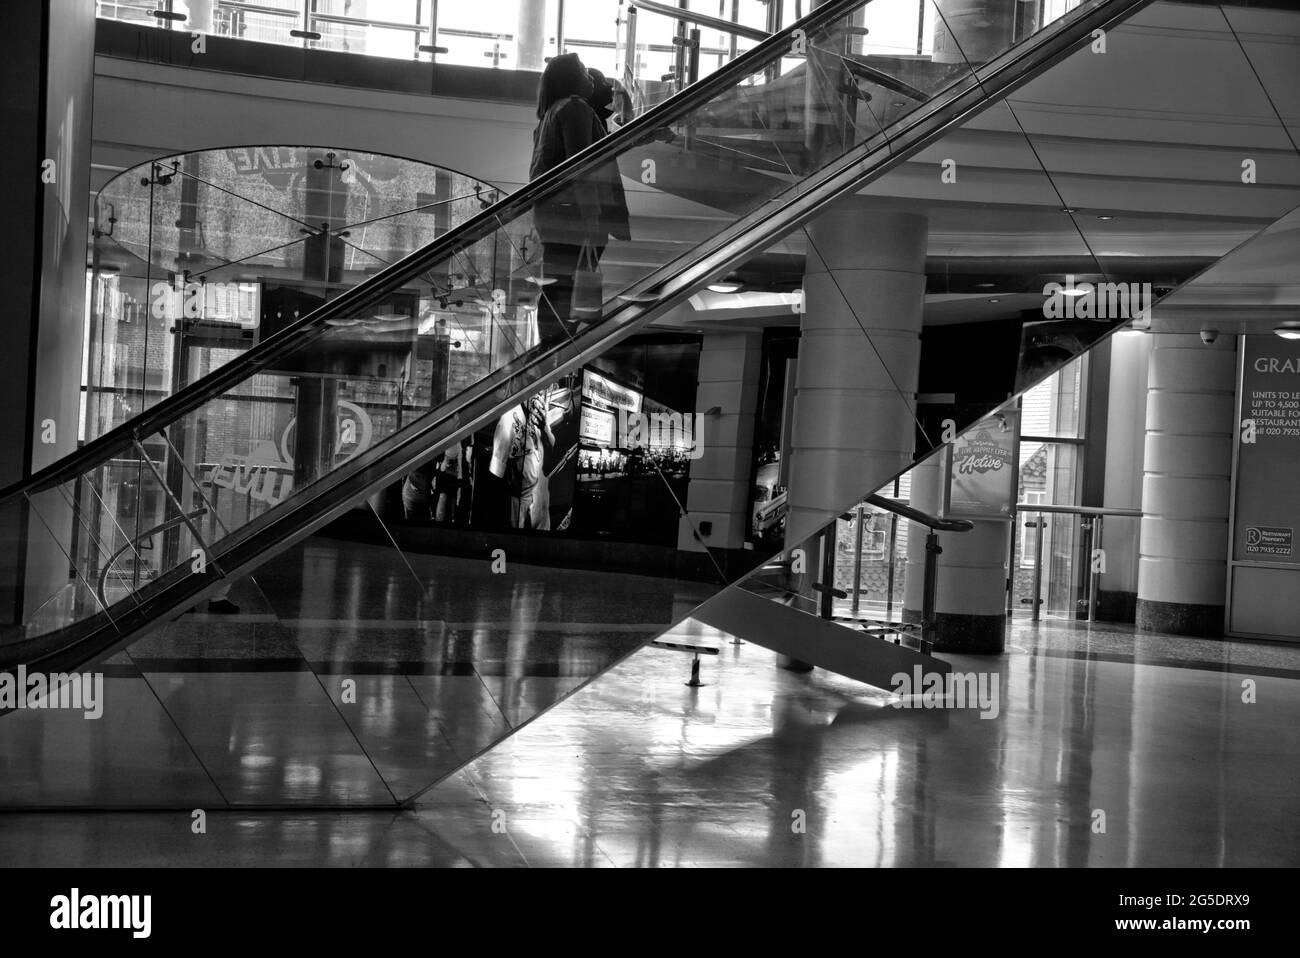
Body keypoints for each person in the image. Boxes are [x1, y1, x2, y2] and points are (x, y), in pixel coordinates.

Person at [530, 53, 608, 343]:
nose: (591, 78)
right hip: (571, 213)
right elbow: (581, 164)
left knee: (557, 283)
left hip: (553, 212)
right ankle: (557, 343)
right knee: (564, 284)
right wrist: (591, 214)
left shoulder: (551, 113)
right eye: (585, 72)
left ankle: (554, 343)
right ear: (571, 79)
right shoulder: (575, 108)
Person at [489, 391, 555, 530]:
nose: (540, 394)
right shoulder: (509, 416)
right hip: (520, 507)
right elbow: (496, 473)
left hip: (542, 505)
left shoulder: (539, 413)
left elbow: (551, 451)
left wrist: (544, 428)